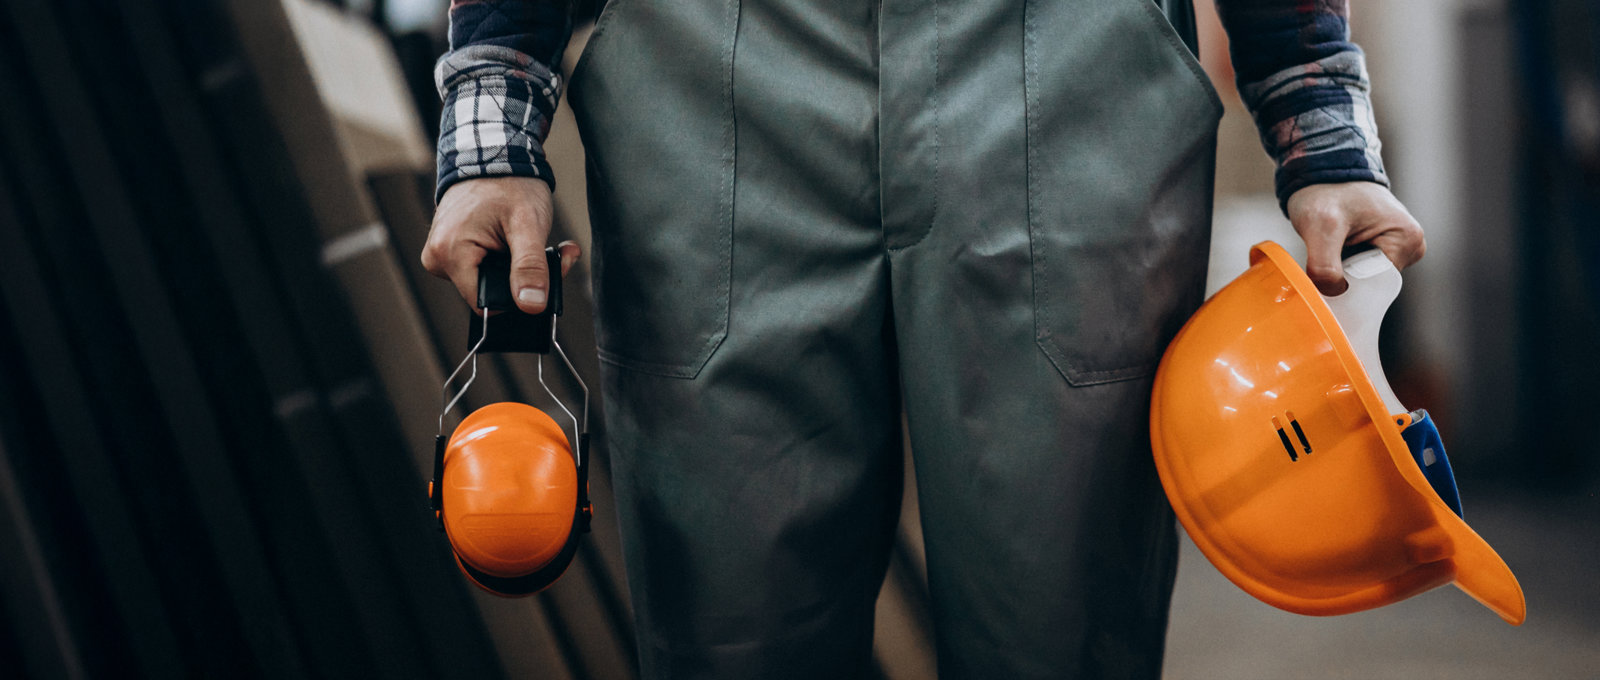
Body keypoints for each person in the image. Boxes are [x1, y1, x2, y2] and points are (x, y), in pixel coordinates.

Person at [421, 0, 1425, 677]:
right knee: (735, 632)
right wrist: (489, 130)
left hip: (1061, 62)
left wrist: (1318, 113)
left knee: (1061, 631)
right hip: (715, 64)